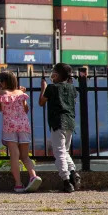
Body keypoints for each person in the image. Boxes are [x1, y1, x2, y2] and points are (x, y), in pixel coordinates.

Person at [0, 70, 42, 193]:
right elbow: (26, 109)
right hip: (24, 125)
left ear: (3, 83)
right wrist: (20, 92)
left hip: (10, 126)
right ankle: (33, 176)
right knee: (25, 156)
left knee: (15, 157)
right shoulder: (21, 93)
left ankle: (18, 184)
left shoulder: (1, 93)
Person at [39, 63, 80, 193]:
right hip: (70, 123)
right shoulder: (72, 89)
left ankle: (66, 181)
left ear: (56, 74)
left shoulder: (51, 88)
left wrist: (43, 88)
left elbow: (41, 102)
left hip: (57, 122)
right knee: (65, 151)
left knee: (59, 153)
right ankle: (73, 172)